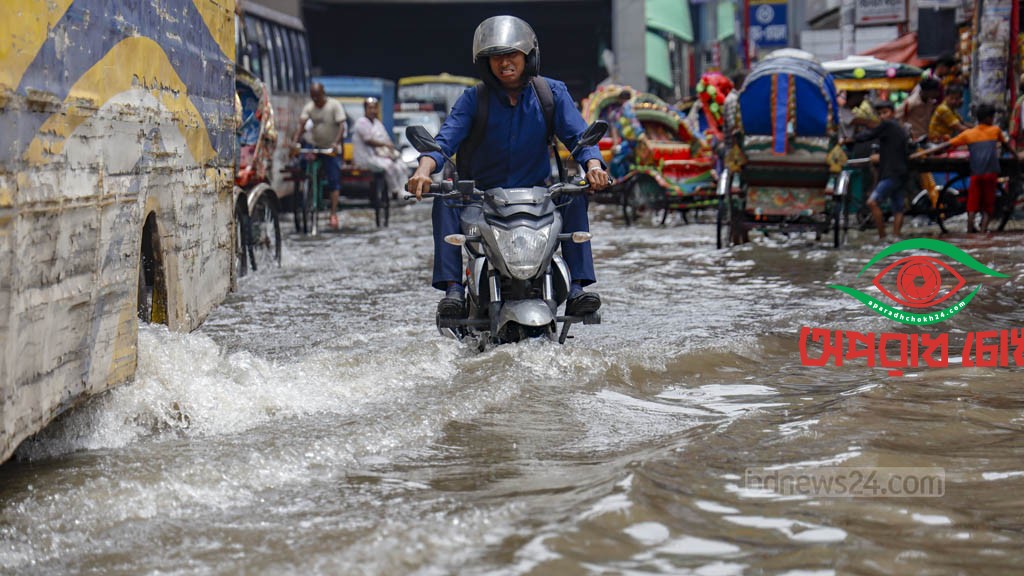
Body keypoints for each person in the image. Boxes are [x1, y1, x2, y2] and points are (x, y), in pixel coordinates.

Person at [407, 15, 610, 318]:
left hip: (539, 198)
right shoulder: (473, 99)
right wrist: (423, 172)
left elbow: (580, 138)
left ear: (529, 56)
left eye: (511, 54)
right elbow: (443, 142)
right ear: (485, 63)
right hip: (481, 199)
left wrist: (593, 167)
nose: (504, 63)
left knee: (575, 193)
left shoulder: (551, 94)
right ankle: (454, 290)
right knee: (444, 198)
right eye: (495, 57)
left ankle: (577, 288)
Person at [913, 104, 1015, 233]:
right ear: (989, 118)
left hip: (976, 174)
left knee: (972, 205)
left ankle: (970, 230)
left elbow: (947, 145)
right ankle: (983, 232)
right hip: (991, 174)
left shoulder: (969, 134)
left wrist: (921, 154)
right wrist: (1016, 155)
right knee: (988, 206)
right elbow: (1007, 146)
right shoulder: (995, 130)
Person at [843, 100, 909, 241]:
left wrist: (851, 139)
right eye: (880, 114)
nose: (882, 116)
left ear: (892, 113)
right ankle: (896, 236)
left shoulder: (887, 125)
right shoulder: (898, 128)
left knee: (872, 202)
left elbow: (868, 135)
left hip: (891, 173)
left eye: (885, 113)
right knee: (898, 208)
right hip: (901, 172)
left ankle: (882, 237)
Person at [294, 82, 347, 229]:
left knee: (333, 180)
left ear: (323, 93)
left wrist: (336, 143)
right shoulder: (309, 107)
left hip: (330, 148)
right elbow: (301, 125)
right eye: (313, 97)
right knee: (303, 162)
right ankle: (308, 189)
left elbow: (341, 127)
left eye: (318, 96)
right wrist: (295, 143)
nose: (316, 100)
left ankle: (333, 213)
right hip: (315, 146)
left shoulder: (334, 105)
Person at [353, 97, 409, 200]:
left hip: (380, 156)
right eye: (370, 108)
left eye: (374, 108)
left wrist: (390, 147)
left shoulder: (377, 123)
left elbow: (386, 139)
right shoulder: (361, 122)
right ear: (365, 109)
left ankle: (404, 192)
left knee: (401, 166)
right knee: (389, 166)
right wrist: (385, 145)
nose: (373, 111)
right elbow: (368, 140)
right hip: (366, 158)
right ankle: (395, 192)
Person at [898, 77, 941, 141]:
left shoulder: (930, 102)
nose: (937, 93)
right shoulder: (911, 102)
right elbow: (897, 115)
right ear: (926, 91)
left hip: (924, 137)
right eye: (935, 91)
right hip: (912, 138)